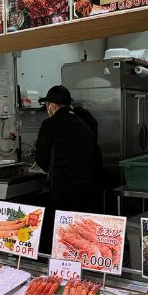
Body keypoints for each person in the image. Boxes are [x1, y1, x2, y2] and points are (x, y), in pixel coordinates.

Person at [35, 85, 103, 248]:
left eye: (47, 105)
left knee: (63, 243)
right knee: (84, 243)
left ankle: (62, 270)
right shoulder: (84, 123)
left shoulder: (50, 124)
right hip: (89, 195)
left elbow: (41, 161)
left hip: (63, 197)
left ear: (52, 105)